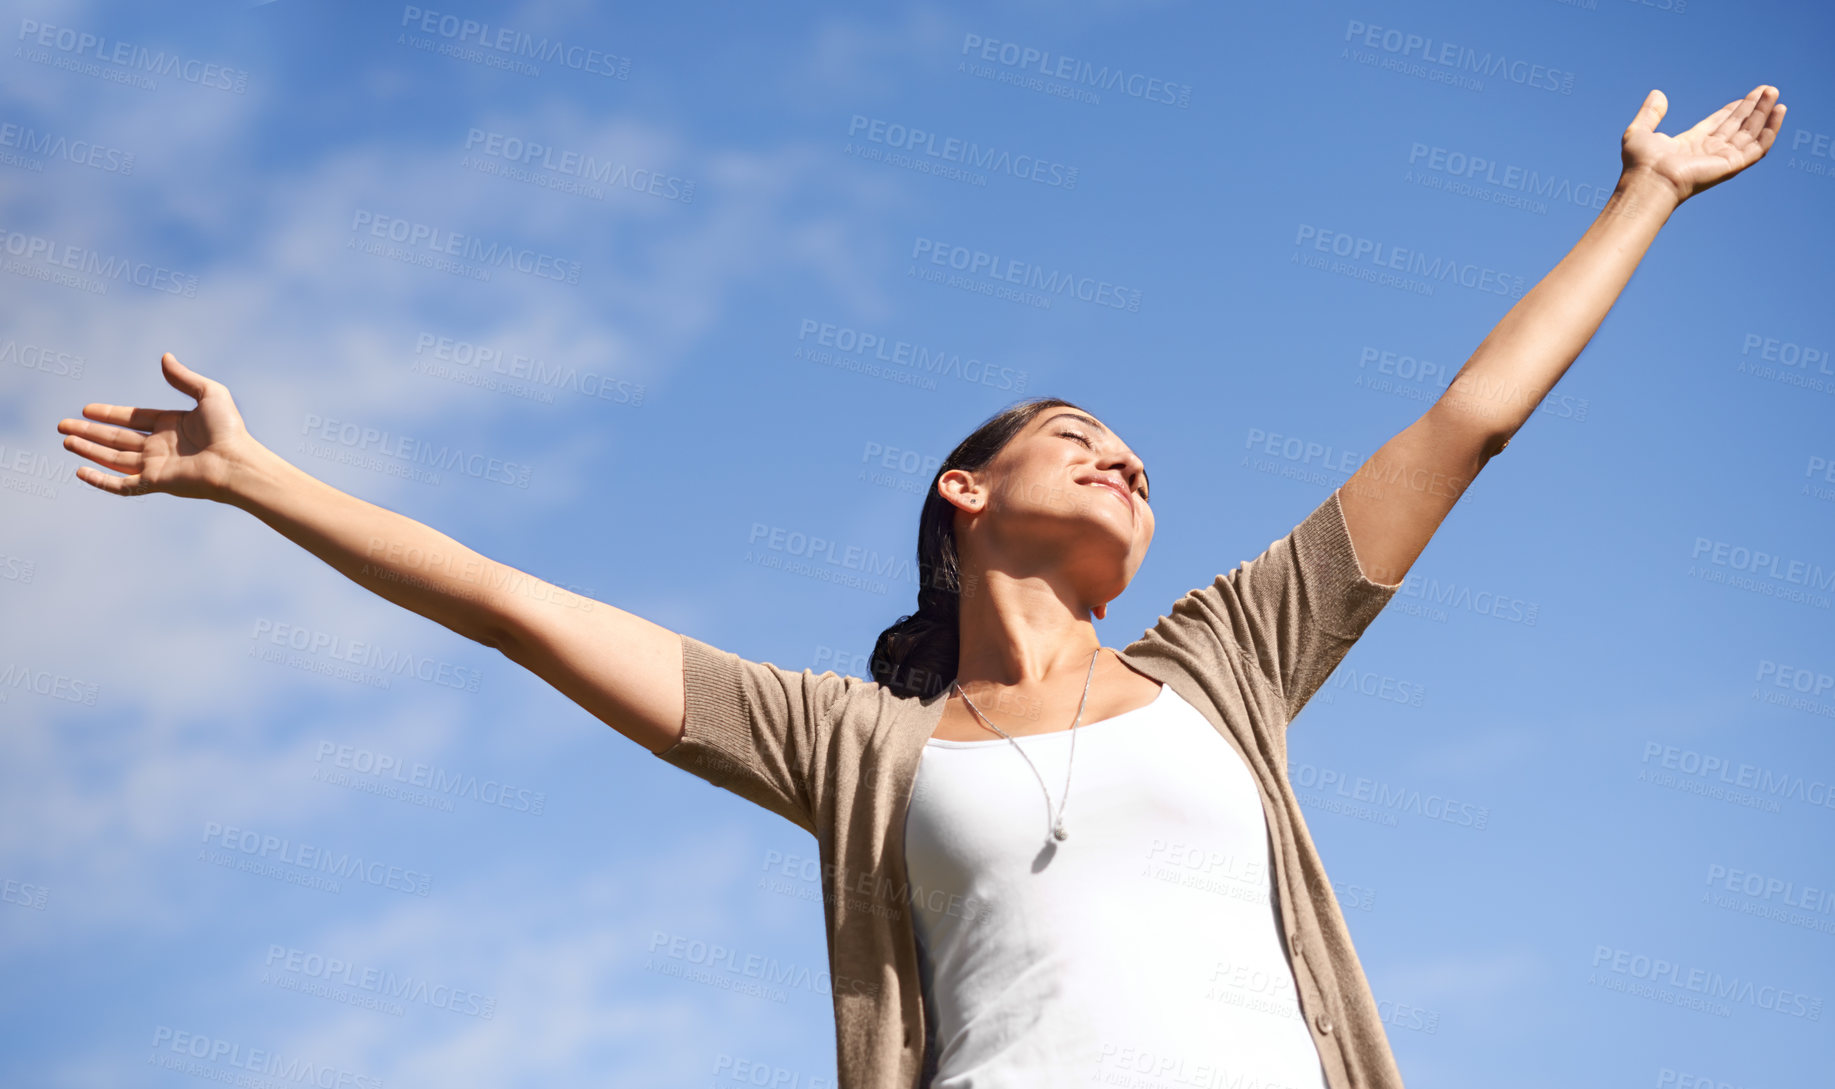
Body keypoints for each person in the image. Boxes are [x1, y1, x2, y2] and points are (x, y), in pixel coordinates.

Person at [56, 86, 1784, 1089]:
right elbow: (514, 602)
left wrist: (1643, 196)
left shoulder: (1229, 659)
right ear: (967, 494)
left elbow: (1466, 422)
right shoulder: (845, 742)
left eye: (1138, 453)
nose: (1129, 457)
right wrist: (257, 476)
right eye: (1079, 434)